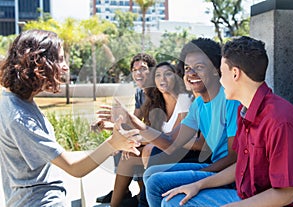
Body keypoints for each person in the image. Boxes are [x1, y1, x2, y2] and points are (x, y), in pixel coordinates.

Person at [0, 29, 141, 207]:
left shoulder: (17, 101)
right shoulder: (19, 117)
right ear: (39, 63)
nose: (66, 66)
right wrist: (113, 143)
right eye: (59, 59)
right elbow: (74, 168)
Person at [160, 36, 293, 207]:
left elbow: (287, 194)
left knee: (173, 203)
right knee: (174, 198)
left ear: (235, 73)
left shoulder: (280, 120)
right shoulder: (245, 112)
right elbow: (241, 165)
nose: (219, 78)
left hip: (270, 202)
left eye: (222, 71)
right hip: (245, 194)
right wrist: (197, 185)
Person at [121, 37, 241, 207]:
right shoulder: (199, 105)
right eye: (187, 68)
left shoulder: (229, 99)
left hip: (229, 174)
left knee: (156, 182)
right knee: (151, 174)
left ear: (216, 69)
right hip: (213, 166)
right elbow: (170, 141)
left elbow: (234, 157)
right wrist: (133, 122)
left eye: (199, 67)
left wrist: (200, 174)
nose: (191, 73)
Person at [100, 62, 193, 207]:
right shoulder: (158, 103)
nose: (163, 78)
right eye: (158, 75)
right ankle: (116, 204)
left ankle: (142, 199)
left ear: (176, 77)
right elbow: (151, 131)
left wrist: (138, 141)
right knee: (128, 156)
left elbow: (174, 138)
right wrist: (130, 140)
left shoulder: (184, 100)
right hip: (161, 147)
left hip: (180, 151)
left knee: (145, 151)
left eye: (168, 74)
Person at [94, 53, 157, 205]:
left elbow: (155, 129)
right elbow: (133, 122)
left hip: (156, 139)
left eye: (143, 68)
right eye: (134, 70)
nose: (138, 73)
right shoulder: (140, 93)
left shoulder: (157, 94)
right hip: (147, 137)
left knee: (129, 150)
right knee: (119, 145)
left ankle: (139, 196)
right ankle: (124, 192)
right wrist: (110, 126)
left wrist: (132, 139)